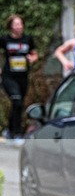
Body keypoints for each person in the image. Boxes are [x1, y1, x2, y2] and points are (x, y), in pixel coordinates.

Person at [0, 14, 38, 144]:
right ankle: (17, 133)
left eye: (21, 24)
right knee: (16, 100)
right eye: (16, 24)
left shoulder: (27, 39)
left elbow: (34, 53)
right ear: (10, 26)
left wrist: (32, 58)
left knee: (19, 103)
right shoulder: (5, 39)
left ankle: (9, 130)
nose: (19, 27)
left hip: (23, 76)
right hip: (8, 76)